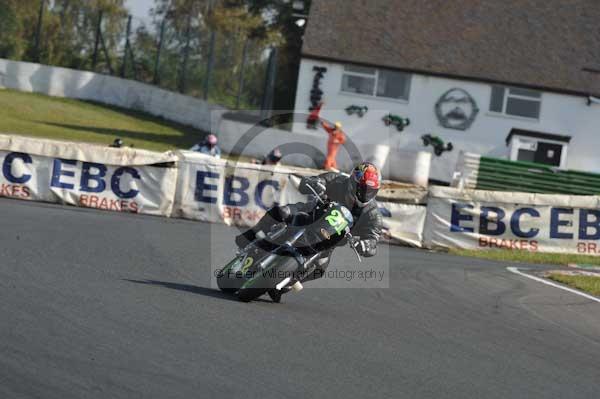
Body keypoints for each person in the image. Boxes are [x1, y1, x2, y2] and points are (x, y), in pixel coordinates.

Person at [235, 162, 383, 302]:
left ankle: (285, 283)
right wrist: (314, 183)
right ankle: (251, 235)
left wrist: (366, 245)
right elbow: (313, 181)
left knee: (320, 269)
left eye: (370, 191)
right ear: (353, 182)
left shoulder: (372, 213)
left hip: (329, 240)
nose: (365, 194)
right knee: (281, 212)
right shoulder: (338, 180)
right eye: (363, 189)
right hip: (310, 214)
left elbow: (373, 238)